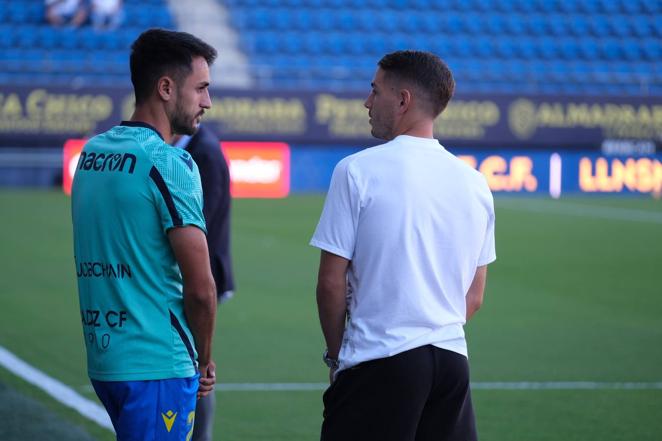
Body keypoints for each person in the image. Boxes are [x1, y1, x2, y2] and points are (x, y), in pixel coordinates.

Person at [310, 50, 496, 441]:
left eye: (374, 90)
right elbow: (474, 296)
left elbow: (330, 284)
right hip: (451, 366)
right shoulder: (476, 184)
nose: (366, 102)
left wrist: (335, 354)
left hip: (379, 362)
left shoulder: (356, 170)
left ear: (403, 100)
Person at [71, 28, 218, 441]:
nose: (207, 101)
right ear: (166, 88)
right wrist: (204, 359)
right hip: (158, 363)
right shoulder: (171, 164)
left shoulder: (92, 153)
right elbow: (202, 289)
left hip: (106, 359)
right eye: (201, 88)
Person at [172, 124, 236, 441]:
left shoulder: (205, 154)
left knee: (196, 364)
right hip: (199, 275)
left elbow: (200, 225)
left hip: (202, 278)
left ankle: (200, 436)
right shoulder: (196, 148)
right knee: (191, 362)